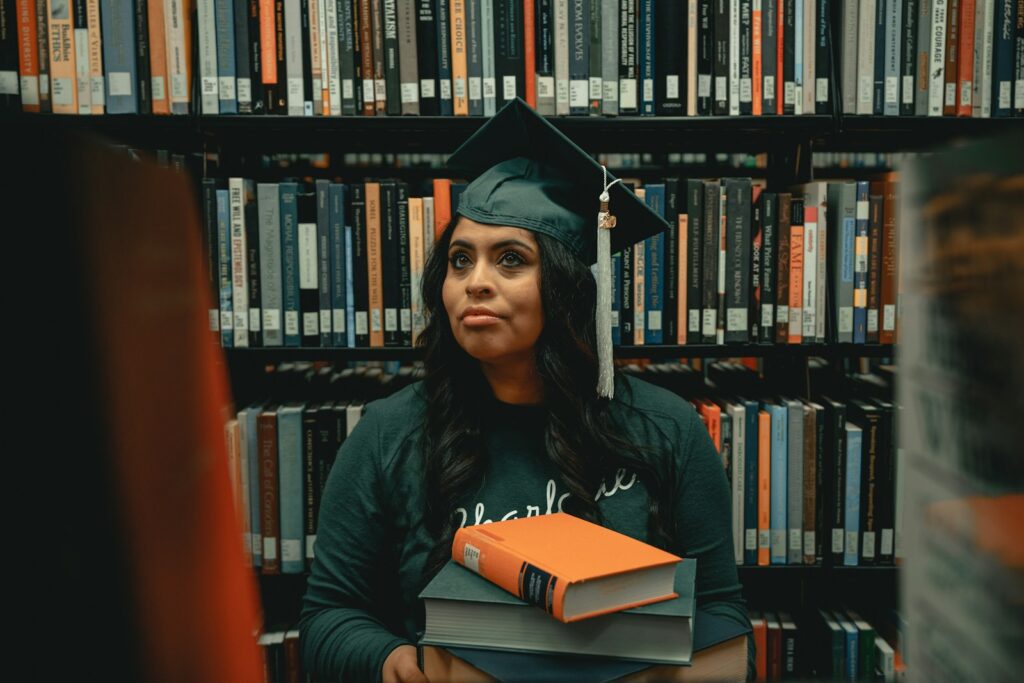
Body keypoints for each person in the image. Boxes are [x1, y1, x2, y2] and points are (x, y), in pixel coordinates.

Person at [299, 97, 755, 682]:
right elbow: (328, 615)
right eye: (459, 260)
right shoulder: (389, 434)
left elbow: (720, 610)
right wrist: (397, 662)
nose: (476, 282)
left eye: (510, 259)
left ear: (566, 288)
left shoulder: (666, 430)